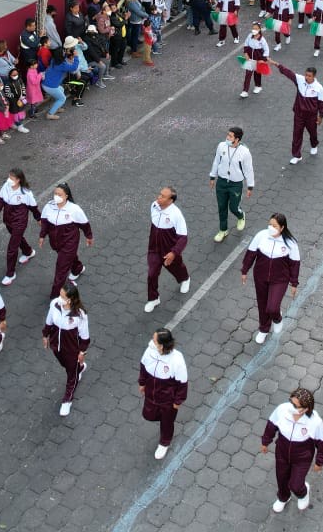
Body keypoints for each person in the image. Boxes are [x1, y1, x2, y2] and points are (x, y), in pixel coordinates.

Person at [261, 387, 323, 513]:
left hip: (302, 459)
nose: (291, 407)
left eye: (296, 406)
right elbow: (271, 425)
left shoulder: (315, 422)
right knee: (281, 478)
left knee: (295, 484)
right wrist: (265, 442)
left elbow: (321, 442)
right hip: (281, 453)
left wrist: (320, 461)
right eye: (291, 402)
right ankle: (283, 497)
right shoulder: (282, 410)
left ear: (306, 408)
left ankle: (303, 493)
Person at [241, 214, 300, 344]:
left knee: (272, 307)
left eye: (274, 226)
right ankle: (263, 329)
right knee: (262, 305)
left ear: (282, 228)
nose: (271, 228)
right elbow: (251, 253)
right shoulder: (261, 236)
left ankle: (277, 318)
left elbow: (295, 264)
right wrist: (245, 270)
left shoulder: (290, 243)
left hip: (280, 279)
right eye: (270, 224)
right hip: (260, 276)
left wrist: (294, 283)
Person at [138, 327, 188, 460]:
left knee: (167, 421)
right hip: (151, 393)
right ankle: (163, 420)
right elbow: (143, 367)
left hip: (167, 399)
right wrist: (142, 383)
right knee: (149, 415)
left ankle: (164, 442)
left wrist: (178, 401)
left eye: (154, 340)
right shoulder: (150, 351)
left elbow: (182, 381)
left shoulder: (176, 359)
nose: (151, 342)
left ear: (162, 345)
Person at [42, 282, 90, 417]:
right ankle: (79, 368)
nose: (59, 298)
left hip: (72, 349)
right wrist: (45, 335)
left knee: (71, 373)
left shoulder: (79, 315)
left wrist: (82, 352)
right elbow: (49, 320)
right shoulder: (55, 305)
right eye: (60, 295)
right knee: (66, 365)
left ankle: (67, 399)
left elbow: (85, 336)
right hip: (56, 346)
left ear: (70, 299)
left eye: (63, 296)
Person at [38, 183, 94, 299]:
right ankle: (77, 268)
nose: (56, 196)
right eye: (55, 194)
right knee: (68, 258)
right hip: (55, 242)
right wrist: (42, 236)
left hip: (70, 242)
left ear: (66, 196)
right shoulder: (49, 206)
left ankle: (55, 296)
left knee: (61, 269)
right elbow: (44, 222)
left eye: (59, 194)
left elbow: (84, 224)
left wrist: (89, 236)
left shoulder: (74, 209)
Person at [145, 186, 190, 314]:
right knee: (151, 274)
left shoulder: (176, 215)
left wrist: (174, 253)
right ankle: (153, 298)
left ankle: (185, 279)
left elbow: (183, 238)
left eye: (163, 196)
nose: (158, 197)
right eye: (160, 194)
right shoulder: (154, 206)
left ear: (170, 201)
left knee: (176, 268)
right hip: (153, 249)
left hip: (169, 250)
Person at [0, 168, 38, 285]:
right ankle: (28, 251)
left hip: (20, 222)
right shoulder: (6, 186)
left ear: (18, 180)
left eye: (11, 178)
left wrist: (39, 219)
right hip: (8, 220)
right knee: (18, 239)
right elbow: (0, 201)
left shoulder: (26, 193)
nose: (9, 180)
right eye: (9, 177)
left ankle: (10, 274)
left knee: (12, 248)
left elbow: (33, 207)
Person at [272, 63, 323, 164]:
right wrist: (276, 64)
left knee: (312, 133)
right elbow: (288, 73)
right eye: (306, 75)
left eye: (309, 76)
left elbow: (321, 103)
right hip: (299, 114)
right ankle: (297, 155)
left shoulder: (319, 88)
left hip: (311, 116)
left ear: (314, 76)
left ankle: (314, 145)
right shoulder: (300, 80)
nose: (307, 77)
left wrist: (321, 116)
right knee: (296, 134)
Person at [208, 126, 255, 243]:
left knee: (233, 207)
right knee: (222, 207)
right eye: (227, 135)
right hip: (222, 182)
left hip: (235, 184)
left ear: (237, 139)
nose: (227, 137)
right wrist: (212, 176)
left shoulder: (244, 152)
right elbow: (216, 161)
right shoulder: (221, 146)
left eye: (230, 136)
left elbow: (249, 169)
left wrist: (250, 186)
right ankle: (223, 230)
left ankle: (240, 215)